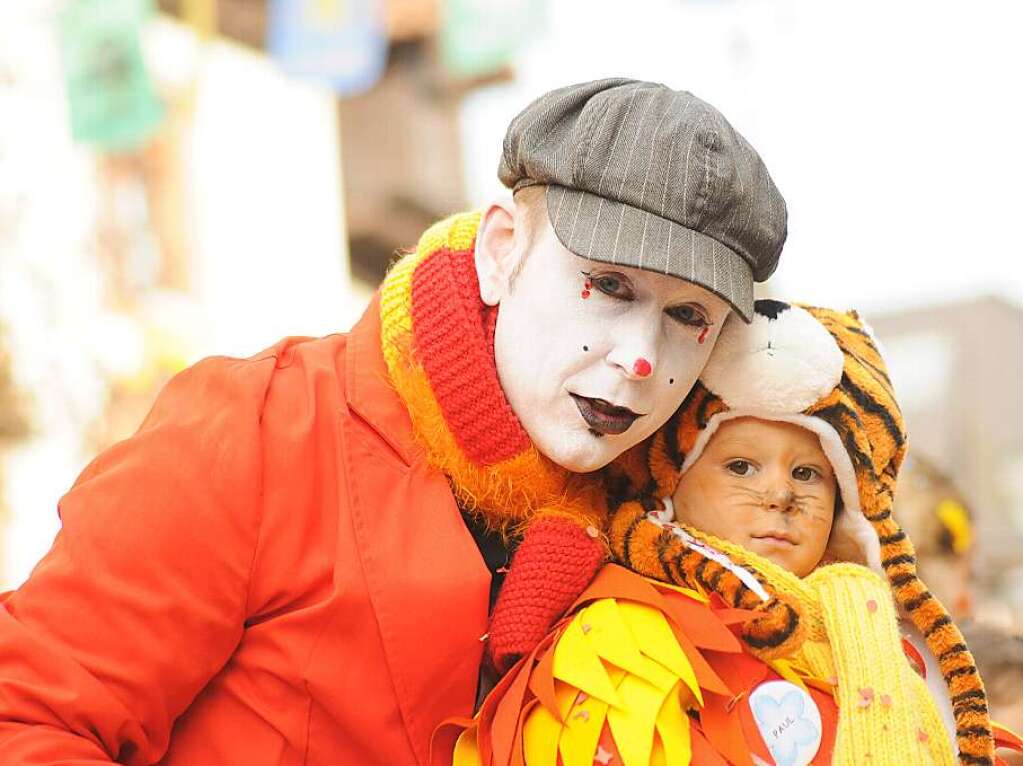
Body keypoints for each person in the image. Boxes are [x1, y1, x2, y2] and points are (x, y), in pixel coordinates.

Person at [0, 78, 788, 764]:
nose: (638, 359)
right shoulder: (259, 429)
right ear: (501, 249)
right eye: (608, 286)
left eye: (688, 315)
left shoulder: (678, 520)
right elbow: (26, 718)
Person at [455, 300, 1005, 765]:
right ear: (668, 485)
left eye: (807, 472)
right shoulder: (621, 645)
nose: (781, 496)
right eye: (741, 466)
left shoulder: (895, 655)